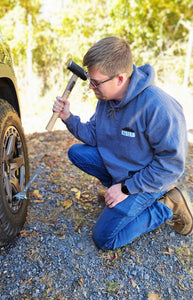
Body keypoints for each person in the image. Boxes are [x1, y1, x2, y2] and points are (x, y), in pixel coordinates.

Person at [53, 36, 193, 250]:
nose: (91, 87)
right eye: (90, 80)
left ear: (119, 78)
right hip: (125, 170)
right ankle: (115, 191)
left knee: (104, 238)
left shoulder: (158, 107)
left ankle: (167, 205)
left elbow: (171, 166)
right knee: (77, 153)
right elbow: (94, 134)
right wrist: (68, 117)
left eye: (95, 82)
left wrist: (126, 188)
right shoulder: (106, 100)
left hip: (147, 180)